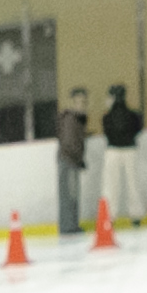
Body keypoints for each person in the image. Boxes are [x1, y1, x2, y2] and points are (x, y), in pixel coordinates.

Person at [98, 83, 145, 225]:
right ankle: (136, 215)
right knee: (133, 183)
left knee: (111, 185)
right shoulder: (134, 115)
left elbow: (106, 132)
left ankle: (110, 216)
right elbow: (138, 129)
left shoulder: (107, 117)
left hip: (113, 150)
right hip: (130, 149)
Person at [56, 87, 90, 234]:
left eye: (83, 102)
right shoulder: (71, 118)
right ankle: (68, 226)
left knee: (72, 194)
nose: (81, 105)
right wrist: (78, 158)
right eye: (78, 102)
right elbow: (69, 142)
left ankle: (71, 225)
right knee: (69, 194)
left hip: (71, 160)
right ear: (72, 102)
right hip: (69, 161)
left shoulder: (77, 119)